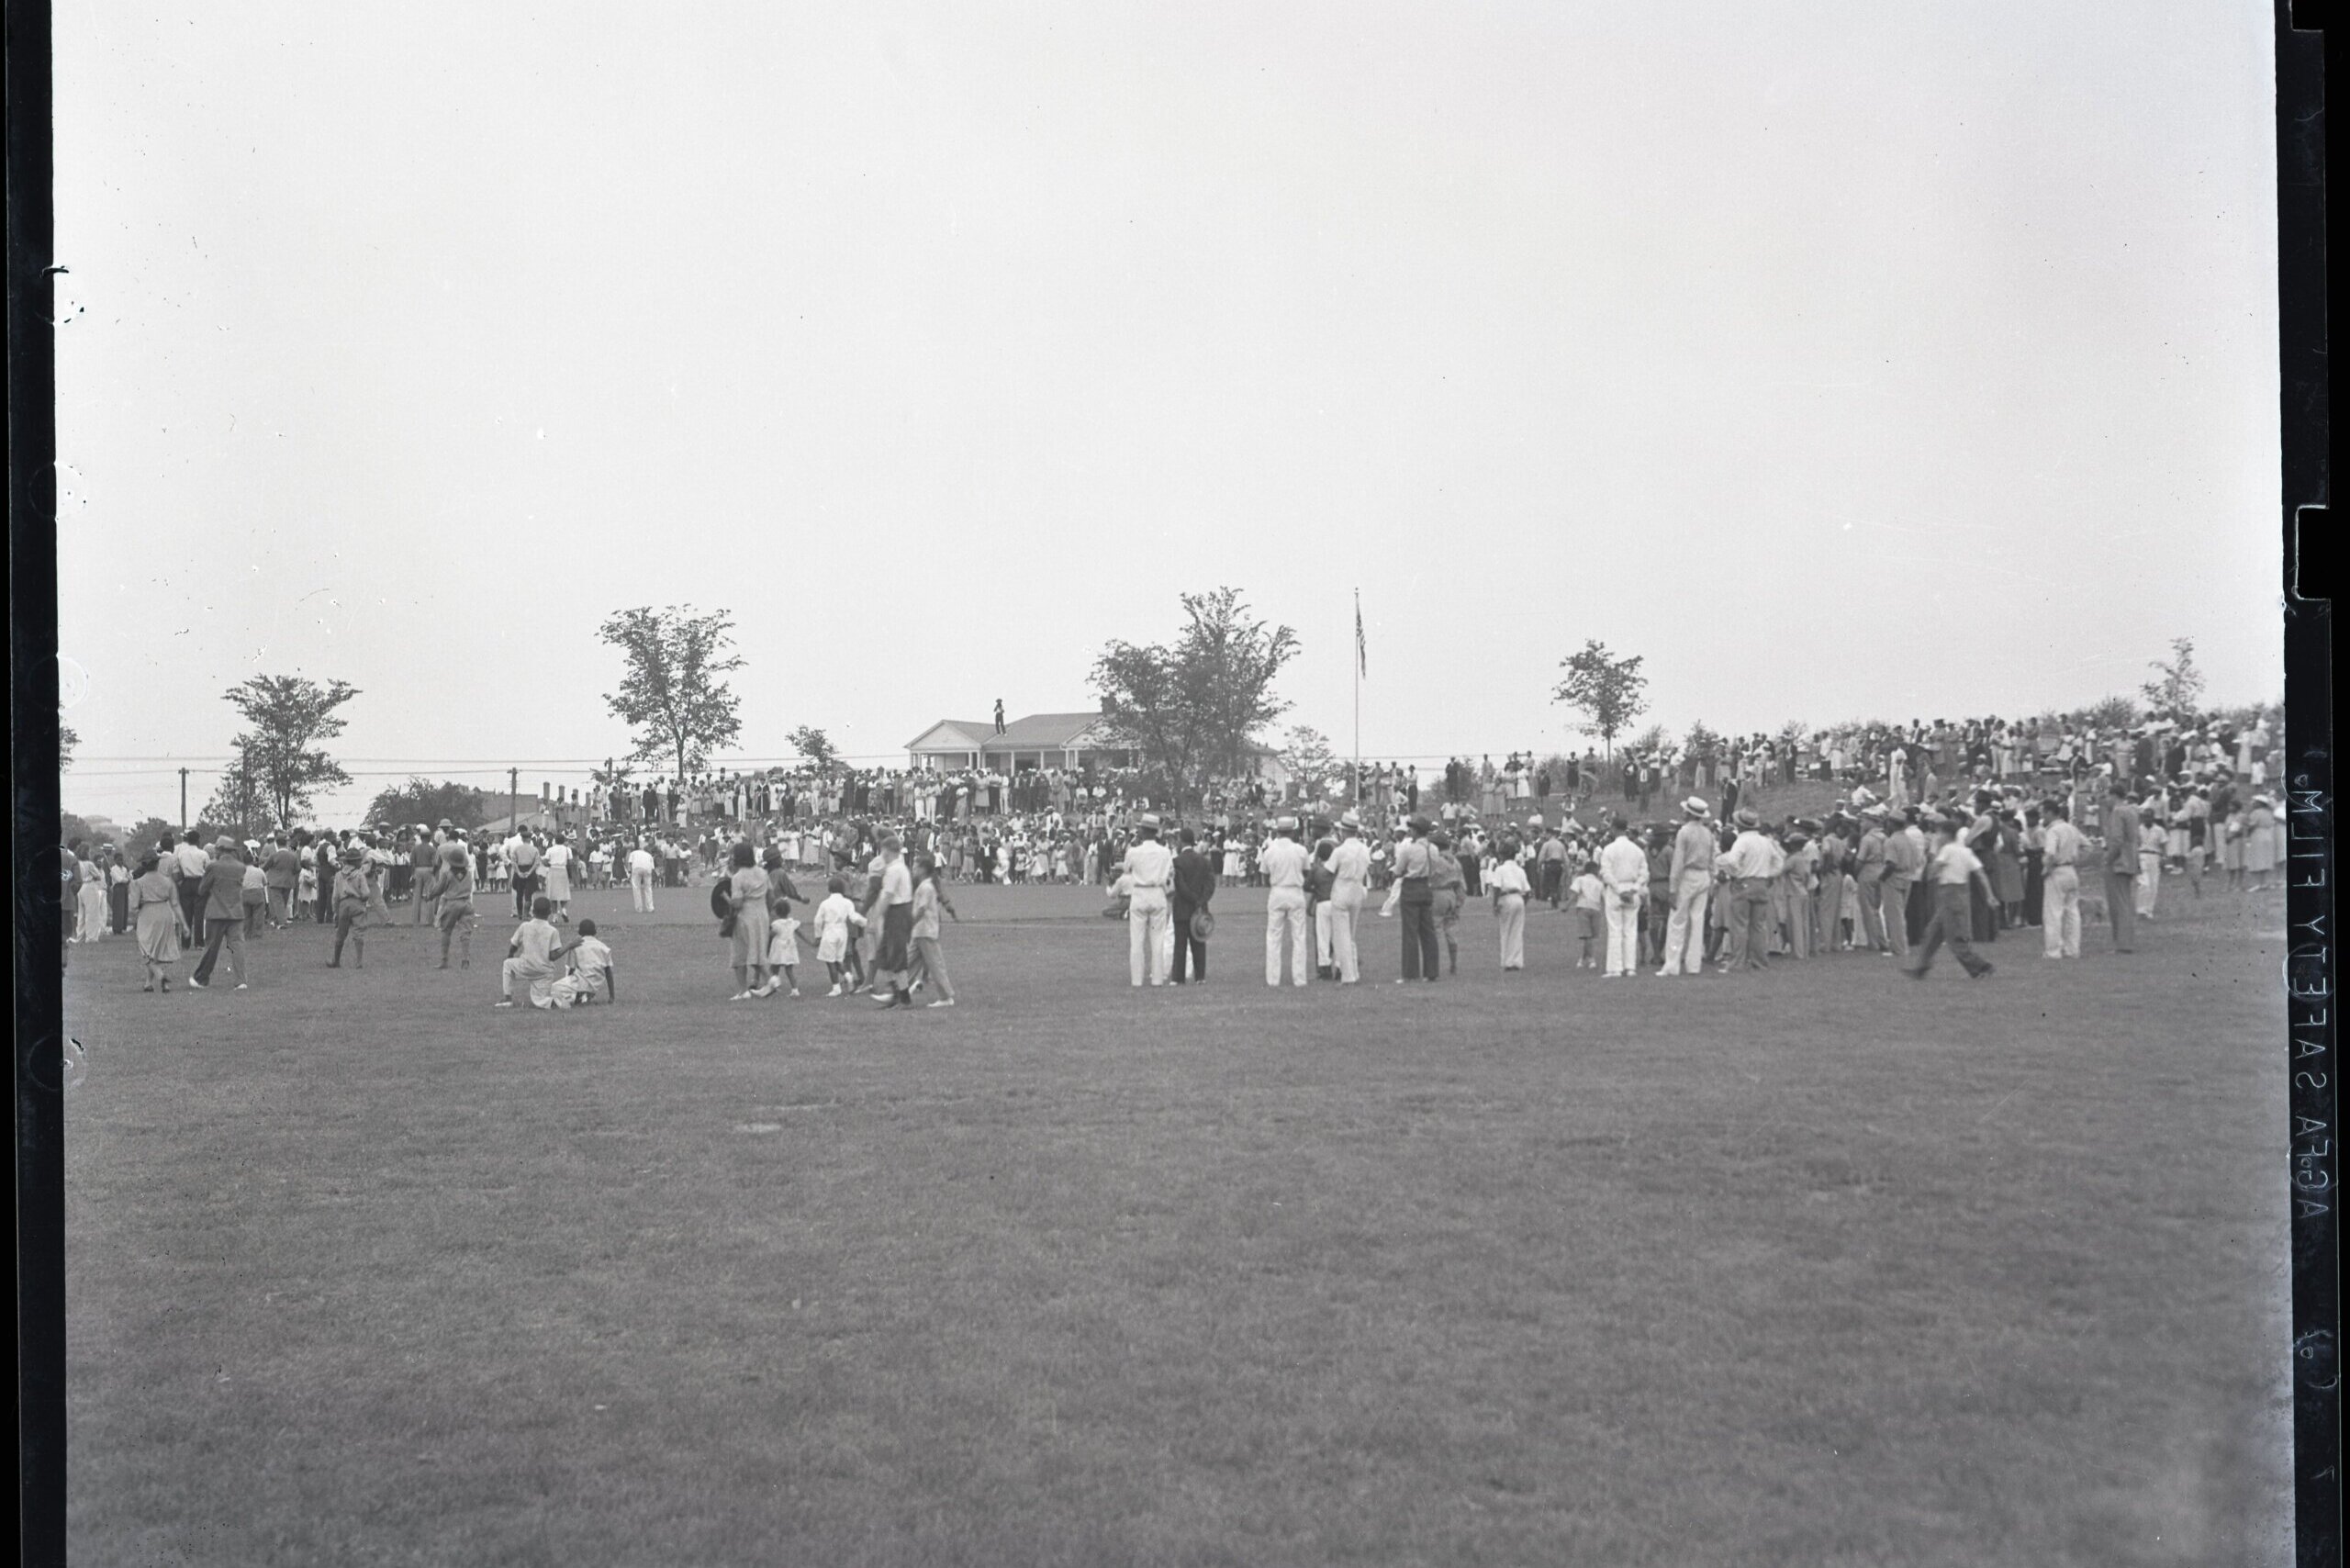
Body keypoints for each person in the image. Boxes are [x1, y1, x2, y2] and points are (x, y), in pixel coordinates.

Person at [1908, 816, 1997, 980]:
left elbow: (1933, 871)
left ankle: (1981, 966)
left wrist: (1933, 855)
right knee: (1932, 933)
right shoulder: (1966, 851)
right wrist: (1989, 895)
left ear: (1947, 834)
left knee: (1954, 939)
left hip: (1950, 893)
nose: (1937, 836)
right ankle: (1921, 967)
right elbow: (1980, 873)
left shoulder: (1947, 850)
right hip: (1959, 892)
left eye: (1939, 833)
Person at [1714, 810, 1781, 972]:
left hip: (1743, 883)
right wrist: (1769, 875)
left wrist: (1736, 873)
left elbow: (1732, 861)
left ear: (1739, 825)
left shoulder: (1742, 842)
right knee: (1758, 925)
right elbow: (1778, 862)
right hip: (1761, 883)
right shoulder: (1766, 841)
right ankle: (1760, 961)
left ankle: (1737, 962)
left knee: (1740, 925)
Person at [187, 839, 252, 991]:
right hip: (236, 912)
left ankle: (201, 978)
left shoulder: (213, 866)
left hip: (216, 912)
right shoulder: (240, 867)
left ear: (220, 850)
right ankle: (241, 980)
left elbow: (202, 889)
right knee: (237, 946)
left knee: (211, 947)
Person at [1660, 799, 1716, 976]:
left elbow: (1678, 861)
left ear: (1690, 814)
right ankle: (1694, 965)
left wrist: (1672, 888)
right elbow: (1712, 859)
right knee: (1697, 921)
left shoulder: (1684, 832)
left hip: (1688, 875)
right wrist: (1712, 880)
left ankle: (1672, 965)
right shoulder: (1708, 833)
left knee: (1677, 920)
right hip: (1703, 875)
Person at [495, 896, 579, 1008]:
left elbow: (514, 945)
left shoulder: (525, 926)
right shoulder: (552, 931)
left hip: (526, 966)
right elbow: (553, 956)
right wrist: (569, 945)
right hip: (544, 972)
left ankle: (507, 998)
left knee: (507, 964)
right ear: (549, 912)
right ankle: (558, 1002)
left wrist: (510, 956)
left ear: (533, 911)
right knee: (540, 1000)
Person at [1121, 813, 1174, 987]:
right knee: (1157, 941)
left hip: (1140, 894)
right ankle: (1157, 979)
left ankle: (1137, 980)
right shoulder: (1165, 852)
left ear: (1143, 831)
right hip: (1158, 894)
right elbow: (1169, 873)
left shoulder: (1134, 851)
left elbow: (1126, 870)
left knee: (1137, 941)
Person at [1259, 816, 1312, 987]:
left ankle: (1273, 979)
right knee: (1299, 937)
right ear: (1293, 831)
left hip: (1277, 891)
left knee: (1273, 937)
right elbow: (1306, 872)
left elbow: (1265, 875)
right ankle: (1300, 979)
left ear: (1277, 831)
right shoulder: (1301, 850)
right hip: (1295, 891)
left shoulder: (1269, 851)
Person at [719, 841, 772, 1001]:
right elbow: (771, 896)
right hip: (762, 914)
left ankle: (744, 991)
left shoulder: (738, 877)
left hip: (745, 917)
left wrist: (725, 898)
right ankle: (770, 981)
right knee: (758, 950)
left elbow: (737, 903)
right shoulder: (763, 873)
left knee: (740, 953)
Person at [130, 852, 190, 991]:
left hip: (148, 913)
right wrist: (185, 924)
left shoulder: (138, 882)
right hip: (165, 912)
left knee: (146, 949)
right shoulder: (168, 881)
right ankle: (148, 984)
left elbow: (134, 905)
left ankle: (161, 976)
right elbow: (175, 904)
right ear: (157, 864)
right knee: (156, 949)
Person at [1596, 818, 1647, 978]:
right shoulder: (1637, 849)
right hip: (1631, 888)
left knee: (1615, 929)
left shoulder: (1609, 849)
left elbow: (1606, 873)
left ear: (1613, 828)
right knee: (1630, 930)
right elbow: (1644, 873)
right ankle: (1630, 967)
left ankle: (1615, 968)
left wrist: (1619, 890)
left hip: (1616, 890)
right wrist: (1634, 889)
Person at [1326, 812, 1372, 984]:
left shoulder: (1340, 850)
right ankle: (1354, 971)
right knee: (1351, 933)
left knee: (1341, 935)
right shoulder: (1364, 849)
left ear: (1344, 831)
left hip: (1342, 888)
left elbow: (1329, 870)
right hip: (1357, 888)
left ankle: (1348, 975)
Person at [1393, 815, 1440, 982]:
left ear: (1415, 831)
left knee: (1410, 932)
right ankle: (1432, 971)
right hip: (1426, 887)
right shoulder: (1433, 849)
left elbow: (1398, 870)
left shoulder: (1409, 849)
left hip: (1411, 887)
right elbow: (1435, 869)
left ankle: (1410, 973)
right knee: (1428, 931)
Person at [908, 853, 958, 1007]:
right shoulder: (924, 885)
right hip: (920, 930)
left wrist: (909, 924)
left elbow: (922, 908)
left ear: (923, 869)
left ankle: (946, 997)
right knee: (908, 962)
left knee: (935, 964)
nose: (913, 870)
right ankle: (898, 991)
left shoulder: (927, 886)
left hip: (926, 929)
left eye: (916, 867)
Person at [2039, 800, 2086, 958]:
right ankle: (2073, 949)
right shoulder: (2072, 828)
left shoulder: (2053, 830)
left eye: (2043, 813)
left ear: (2050, 813)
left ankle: (2053, 951)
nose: (2042, 817)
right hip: (2071, 870)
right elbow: (2087, 845)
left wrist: (2046, 868)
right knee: (2072, 911)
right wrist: (2076, 858)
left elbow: (2050, 853)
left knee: (2053, 912)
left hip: (2057, 871)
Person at [1170, 827, 1215, 985]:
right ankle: (1200, 977)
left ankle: (1178, 977)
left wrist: (1192, 899)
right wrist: (1200, 901)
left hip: (1183, 906)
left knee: (1180, 944)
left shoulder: (1177, 861)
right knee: (1199, 943)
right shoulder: (1204, 861)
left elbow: (1180, 886)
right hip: (1199, 909)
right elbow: (1210, 885)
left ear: (1181, 841)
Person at [2100, 787, 2141, 953]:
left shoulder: (2117, 812)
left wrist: (2108, 859)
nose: (2106, 801)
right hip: (2130, 858)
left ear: (2114, 795)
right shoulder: (2132, 811)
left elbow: (2116, 840)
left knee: (2118, 904)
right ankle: (2125, 941)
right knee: (2125, 901)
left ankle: (2123, 944)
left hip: (2118, 862)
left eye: (2107, 797)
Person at [812, 876, 867, 995]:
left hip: (829, 931)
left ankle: (836, 987)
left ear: (829, 889)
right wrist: (865, 922)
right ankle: (848, 976)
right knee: (838, 959)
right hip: (843, 932)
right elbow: (854, 917)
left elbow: (818, 920)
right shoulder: (847, 902)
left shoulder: (825, 903)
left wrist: (818, 936)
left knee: (830, 961)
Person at [432, 841, 479, 969]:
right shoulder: (468, 874)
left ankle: (444, 960)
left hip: (452, 903)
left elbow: (439, 889)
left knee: (446, 931)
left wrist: (430, 896)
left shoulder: (448, 874)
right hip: (466, 903)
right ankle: (465, 960)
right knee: (465, 933)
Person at [327, 847, 374, 969]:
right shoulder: (360, 875)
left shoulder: (338, 875)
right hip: (357, 903)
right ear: (356, 862)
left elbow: (335, 896)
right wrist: (363, 899)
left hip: (343, 904)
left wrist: (335, 911)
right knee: (358, 932)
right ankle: (358, 961)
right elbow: (366, 893)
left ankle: (336, 960)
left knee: (341, 933)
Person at [1488, 839, 1530, 970]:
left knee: (1506, 929)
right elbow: (1528, 891)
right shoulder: (1520, 870)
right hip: (1519, 898)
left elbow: (1496, 888)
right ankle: (1517, 961)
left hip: (1506, 898)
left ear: (1502, 855)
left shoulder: (1500, 869)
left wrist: (1494, 904)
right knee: (1517, 931)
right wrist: (1523, 903)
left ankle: (1507, 962)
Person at [552, 919, 614, 1007]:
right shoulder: (603, 947)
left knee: (552, 989)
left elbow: (571, 969)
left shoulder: (576, 946)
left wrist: (568, 984)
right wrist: (612, 997)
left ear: (579, 932)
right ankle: (582, 997)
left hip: (580, 984)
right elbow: (608, 973)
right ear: (595, 932)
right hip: (594, 987)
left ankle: (575, 998)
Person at [1568, 859, 1605, 967]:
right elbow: (1604, 897)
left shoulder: (1580, 880)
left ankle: (1590, 959)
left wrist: (1567, 905)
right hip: (1596, 909)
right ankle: (1583, 959)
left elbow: (1574, 894)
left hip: (1583, 908)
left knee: (1587, 935)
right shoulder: (1599, 883)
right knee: (1590, 936)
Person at [628, 839, 658, 912]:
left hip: (636, 868)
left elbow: (630, 863)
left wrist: (630, 873)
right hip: (647, 869)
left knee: (636, 888)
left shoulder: (633, 853)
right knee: (648, 888)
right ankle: (650, 908)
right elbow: (652, 868)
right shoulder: (648, 854)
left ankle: (639, 908)